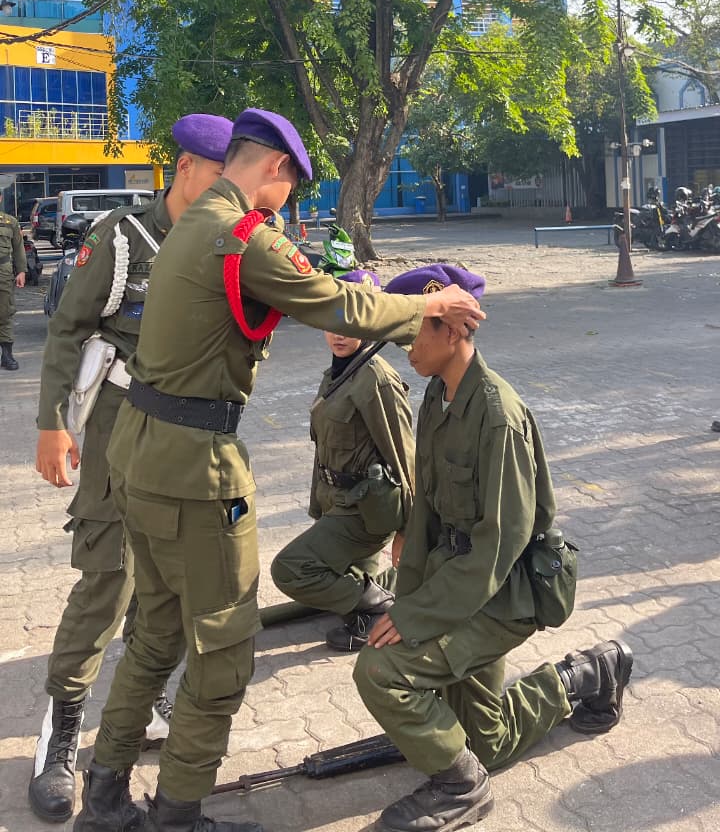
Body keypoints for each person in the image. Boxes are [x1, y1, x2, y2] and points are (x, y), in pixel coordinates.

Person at [72, 108, 484, 832]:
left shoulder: (188, 224)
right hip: (195, 470)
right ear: (275, 168)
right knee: (223, 647)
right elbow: (337, 302)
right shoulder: (241, 235)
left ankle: (104, 801)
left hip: (137, 450)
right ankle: (177, 815)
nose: (289, 198)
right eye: (293, 183)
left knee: (159, 630)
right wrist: (430, 303)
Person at [353, 264, 634, 832]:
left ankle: (460, 788)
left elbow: (498, 547)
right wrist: (407, 600)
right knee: (489, 742)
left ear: (454, 330)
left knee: (381, 671)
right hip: (458, 583)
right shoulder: (436, 398)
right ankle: (589, 675)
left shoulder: (498, 416)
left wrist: (417, 618)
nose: (405, 348)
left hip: (505, 594)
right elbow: (426, 515)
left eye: (414, 332)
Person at [30, 115, 233, 824]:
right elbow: (67, 329)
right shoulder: (124, 237)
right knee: (108, 575)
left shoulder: (226, 238)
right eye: (221, 176)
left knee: (170, 576)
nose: (231, 190)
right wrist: (53, 423)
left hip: (186, 433)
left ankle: (142, 702)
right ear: (187, 168)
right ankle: (60, 734)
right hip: (119, 424)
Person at [271, 269, 416, 652]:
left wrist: (409, 532)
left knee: (291, 569)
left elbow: (406, 459)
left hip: (365, 513)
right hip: (339, 504)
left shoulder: (376, 380)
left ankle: (380, 608)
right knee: (333, 581)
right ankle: (366, 603)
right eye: (333, 321)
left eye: (352, 324)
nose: (340, 333)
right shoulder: (337, 373)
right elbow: (326, 449)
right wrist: (319, 508)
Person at [0, 206, 27, 369]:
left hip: (3, 271)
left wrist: (21, 271)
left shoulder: (10, 222)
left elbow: (18, 248)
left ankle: (7, 355)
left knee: (5, 312)